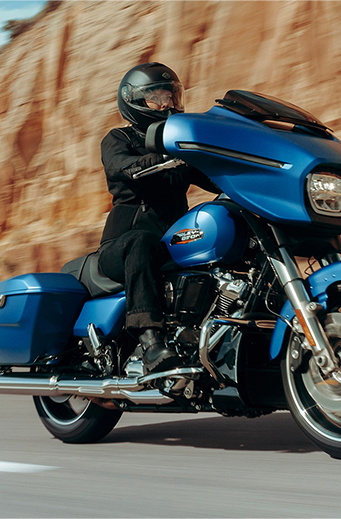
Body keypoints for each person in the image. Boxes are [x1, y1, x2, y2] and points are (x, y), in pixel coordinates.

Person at [97, 62, 220, 376]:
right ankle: (151, 341)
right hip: (121, 248)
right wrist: (150, 160)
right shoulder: (118, 138)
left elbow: (213, 177)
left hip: (171, 244)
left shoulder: (179, 149)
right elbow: (119, 164)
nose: (166, 105)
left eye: (170, 97)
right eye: (156, 98)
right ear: (135, 101)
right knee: (142, 241)